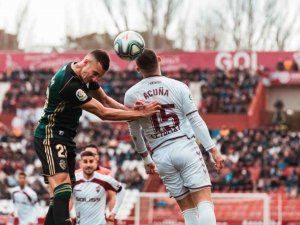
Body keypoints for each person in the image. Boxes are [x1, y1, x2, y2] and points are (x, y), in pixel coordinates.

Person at [33, 49, 160, 225]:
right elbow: (102, 112)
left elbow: (106, 100)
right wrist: (138, 115)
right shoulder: (69, 84)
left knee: (62, 193)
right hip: (50, 135)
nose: (95, 79)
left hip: (65, 138)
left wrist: (132, 112)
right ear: (86, 61)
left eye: (98, 76)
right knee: (62, 187)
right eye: (95, 74)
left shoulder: (83, 75)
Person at [124, 49, 224, 225]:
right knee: (204, 202)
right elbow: (195, 119)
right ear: (160, 60)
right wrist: (213, 150)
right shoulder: (178, 86)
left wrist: (146, 159)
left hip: (160, 155)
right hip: (184, 146)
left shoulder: (131, 95)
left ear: (138, 68)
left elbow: (135, 132)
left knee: (188, 209)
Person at [72, 150, 125, 225]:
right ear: (80, 164)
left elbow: (121, 190)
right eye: (85, 162)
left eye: (91, 161)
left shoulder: (104, 179)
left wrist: (114, 212)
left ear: (96, 163)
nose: (88, 165)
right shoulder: (73, 180)